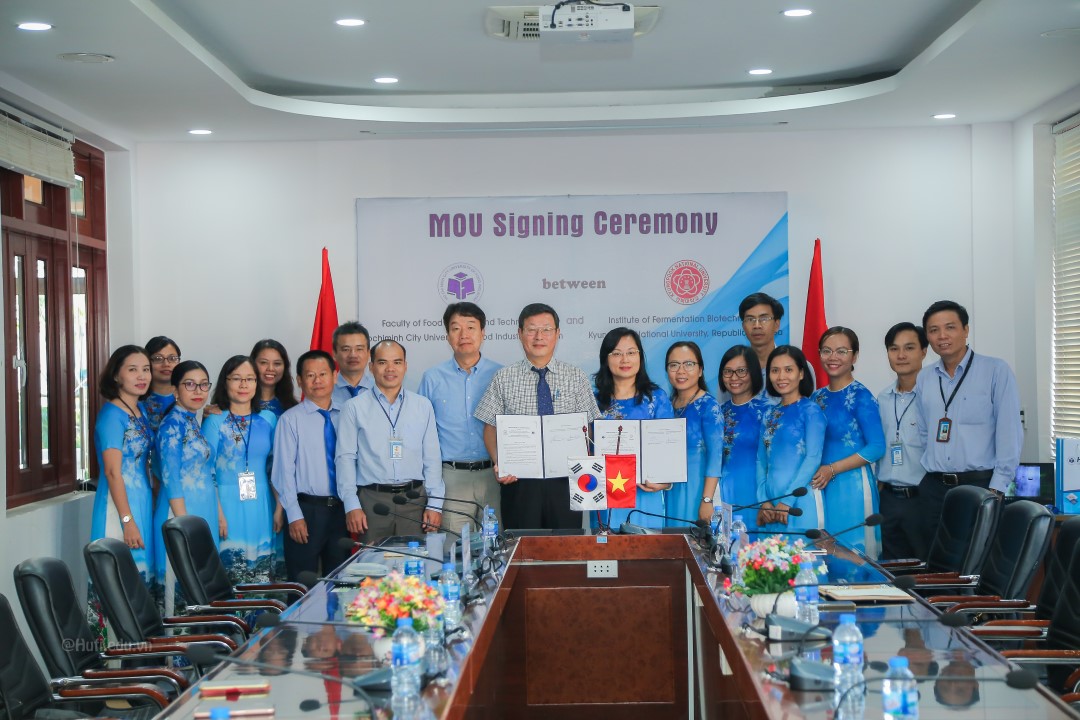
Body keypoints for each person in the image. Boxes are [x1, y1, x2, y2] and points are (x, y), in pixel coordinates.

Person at [474, 303, 601, 530]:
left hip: (566, 481)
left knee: (566, 551)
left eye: (546, 329)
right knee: (522, 550)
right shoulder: (503, 378)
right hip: (519, 482)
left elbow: (589, 428)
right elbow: (490, 427)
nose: (539, 336)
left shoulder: (576, 377)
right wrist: (499, 462)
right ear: (520, 334)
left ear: (558, 334)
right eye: (531, 329)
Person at [915, 300, 1022, 539]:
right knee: (937, 566)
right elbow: (925, 432)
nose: (942, 336)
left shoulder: (995, 370)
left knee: (976, 566)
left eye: (950, 327)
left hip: (981, 486)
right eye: (933, 330)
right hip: (934, 489)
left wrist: (996, 488)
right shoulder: (925, 378)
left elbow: (1009, 433)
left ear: (966, 330)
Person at [337, 340, 445, 543]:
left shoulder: (422, 406)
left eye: (397, 362)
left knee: (414, 567)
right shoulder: (353, 408)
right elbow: (345, 458)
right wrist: (352, 504)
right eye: (382, 362)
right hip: (372, 502)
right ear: (371, 367)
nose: (390, 369)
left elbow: (432, 457)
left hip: (414, 500)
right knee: (373, 568)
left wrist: (435, 504)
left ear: (405, 366)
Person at [88, 345, 155, 639]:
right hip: (118, 510)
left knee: (138, 584)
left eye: (145, 369)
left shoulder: (137, 410)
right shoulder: (112, 415)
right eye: (133, 369)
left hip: (139, 502)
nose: (142, 376)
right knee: (117, 583)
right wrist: (127, 521)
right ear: (116, 375)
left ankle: (138, 661)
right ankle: (113, 663)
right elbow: (113, 472)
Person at [418, 302, 502, 532]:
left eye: (471, 327)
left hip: (494, 476)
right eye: (456, 328)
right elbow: (421, 434)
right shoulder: (432, 378)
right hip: (451, 477)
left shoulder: (501, 375)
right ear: (447, 336)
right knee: (454, 550)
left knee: (496, 547)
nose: (464, 335)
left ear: (483, 333)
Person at [271, 350, 351, 582]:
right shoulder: (290, 419)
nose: (317, 381)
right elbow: (282, 472)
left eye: (323, 374)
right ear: (299, 381)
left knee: (339, 582)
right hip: (306, 510)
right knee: (301, 583)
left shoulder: (347, 414)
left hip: (341, 511)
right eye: (310, 375)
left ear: (335, 376)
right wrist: (294, 515)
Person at [810, 327, 886, 557]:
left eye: (841, 351)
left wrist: (833, 469)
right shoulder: (817, 397)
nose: (833, 357)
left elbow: (877, 447)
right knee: (823, 551)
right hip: (820, 486)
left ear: (854, 356)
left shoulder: (862, 396)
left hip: (851, 486)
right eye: (827, 351)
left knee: (851, 551)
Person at [203, 355, 280, 583]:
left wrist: (280, 507)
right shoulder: (215, 421)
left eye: (249, 379)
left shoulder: (268, 419)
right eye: (237, 378)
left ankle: (258, 617)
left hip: (262, 503)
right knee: (231, 568)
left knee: (261, 569)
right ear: (225, 382)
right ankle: (232, 618)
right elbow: (208, 472)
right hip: (226, 504)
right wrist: (217, 514)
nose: (244, 385)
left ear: (257, 383)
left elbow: (276, 467)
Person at [152, 360, 217, 614]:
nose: (198, 390)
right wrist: (183, 525)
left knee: (200, 587)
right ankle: (177, 652)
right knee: (178, 587)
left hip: (199, 514)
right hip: (178, 515)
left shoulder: (192, 421)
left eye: (203, 385)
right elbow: (170, 477)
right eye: (190, 384)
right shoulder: (172, 425)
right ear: (176, 391)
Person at [593, 327, 674, 529]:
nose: (625, 360)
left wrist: (665, 481)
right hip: (605, 495)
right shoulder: (592, 401)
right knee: (605, 557)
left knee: (647, 555)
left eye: (631, 352)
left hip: (645, 494)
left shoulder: (656, 398)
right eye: (617, 353)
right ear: (606, 358)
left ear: (640, 357)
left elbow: (669, 447)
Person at [755, 346, 826, 534]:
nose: (781, 377)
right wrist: (764, 501)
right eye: (775, 370)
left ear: (801, 373)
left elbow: (813, 458)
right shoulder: (769, 413)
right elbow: (761, 461)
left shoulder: (811, 411)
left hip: (800, 503)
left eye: (788, 370)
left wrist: (787, 500)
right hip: (771, 505)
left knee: (803, 561)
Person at [876, 322, 929, 560]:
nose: (901, 355)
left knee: (926, 568)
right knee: (892, 569)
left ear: (924, 352)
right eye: (894, 349)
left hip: (922, 500)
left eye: (909, 348)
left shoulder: (934, 397)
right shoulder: (883, 398)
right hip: (888, 499)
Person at [664, 341, 723, 526]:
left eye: (689, 364)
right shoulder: (666, 405)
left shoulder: (708, 406)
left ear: (700, 370)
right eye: (674, 365)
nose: (681, 371)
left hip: (697, 490)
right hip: (669, 490)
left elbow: (716, 457)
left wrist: (707, 500)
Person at [718, 345, 768, 532]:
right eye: (728, 372)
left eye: (741, 371)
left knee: (754, 553)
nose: (734, 378)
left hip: (755, 491)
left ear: (753, 373)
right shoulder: (718, 412)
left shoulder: (768, 411)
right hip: (722, 492)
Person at [738, 293, 785, 387]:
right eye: (750, 319)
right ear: (743, 326)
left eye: (764, 319)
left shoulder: (795, 366)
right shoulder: (733, 370)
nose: (757, 326)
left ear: (777, 325)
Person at [251, 339, 298, 418]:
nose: (271, 368)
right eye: (263, 362)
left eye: (277, 363)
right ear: (252, 364)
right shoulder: (238, 403)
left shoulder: (294, 408)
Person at [143, 336, 181, 431]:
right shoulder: (138, 399)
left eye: (172, 358)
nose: (166, 364)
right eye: (158, 358)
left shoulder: (186, 394)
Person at [331, 322, 374, 405]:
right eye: (346, 349)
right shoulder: (323, 391)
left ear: (368, 353)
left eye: (359, 349)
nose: (353, 355)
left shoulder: (381, 389)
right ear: (334, 354)